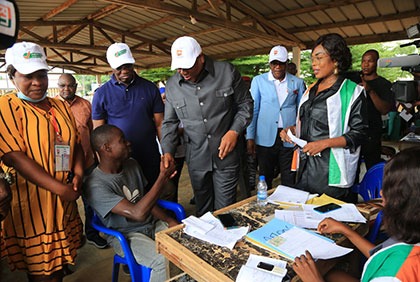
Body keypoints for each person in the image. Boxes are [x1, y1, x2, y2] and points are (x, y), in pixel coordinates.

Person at [0, 42, 84, 282]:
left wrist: (78, 174)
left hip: (64, 199)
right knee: (42, 272)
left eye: (42, 74)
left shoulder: (60, 105)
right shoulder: (7, 107)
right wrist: (60, 188)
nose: (37, 82)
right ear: (12, 75)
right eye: (28, 76)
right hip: (33, 206)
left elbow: (74, 144)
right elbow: (13, 156)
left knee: (58, 268)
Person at [292, 147, 420, 282]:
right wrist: (347, 231)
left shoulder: (394, 276)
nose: (381, 193)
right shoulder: (409, 244)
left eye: (389, 189)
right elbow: (381, 257)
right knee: (331, 273)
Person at [161, 36, 253, 216]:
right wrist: (167, 151)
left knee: (225, 209)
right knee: (203, 209)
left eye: (187, 66)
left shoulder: (227, 72)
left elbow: (246, 105)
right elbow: (170, 122)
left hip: (226, 155)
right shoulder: (172, 85)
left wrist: (234, 131)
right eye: (179, 67)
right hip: (196, 157)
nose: (183, 71)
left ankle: (226, 241)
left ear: (201, 57)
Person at [84, 124, 178, 282]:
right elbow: (138, 213)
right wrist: (162, 178)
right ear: (107, 148)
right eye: (122, 140)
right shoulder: (95, 185)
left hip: (152, 225)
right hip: (126, 235)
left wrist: (169, 221)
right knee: (163, 261)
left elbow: (144, 200)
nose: (128, 143)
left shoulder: (131, 164)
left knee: (187, 249)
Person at [280, 33, 367, 201]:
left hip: (330, 171)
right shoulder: (310, 90)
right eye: (312, 58)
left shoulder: (351, 92)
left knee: (327, 220)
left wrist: (324, 144)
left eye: (319, 58)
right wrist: (291, 131)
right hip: (304, 167)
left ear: (335, 60)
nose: (314, 63)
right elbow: (305, 122)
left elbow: (360, 133)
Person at [91, 42, 164, 191]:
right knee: (129, 195)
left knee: (155, 192)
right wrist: (103, 160)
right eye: (119, 68)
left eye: (128, 66)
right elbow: (98, 131)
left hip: (149, 154)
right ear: (111, 67)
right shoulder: (101, 94)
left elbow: (160, 124)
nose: (124, 71)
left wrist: (166, 152)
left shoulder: (149, 88)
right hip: (119, 159)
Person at [55, 73, 108, 249]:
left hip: (87, 162)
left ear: (76, 86)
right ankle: (70, 238)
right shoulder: (51, 106)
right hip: (62, 165)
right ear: (58, 86)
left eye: (70, 85)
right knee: (64, 204)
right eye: (62, 85)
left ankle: (92, 233)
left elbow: (94, 133)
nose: (66, 89)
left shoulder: (85, 105)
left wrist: (98, 157)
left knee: (91, 200)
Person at [246, 45, 306, 188]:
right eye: (274, 63)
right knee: (265, 176)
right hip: (265, 137)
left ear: (286, 63)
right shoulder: (258, 81)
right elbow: (253, 110)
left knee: (288, 177)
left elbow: (302, 112)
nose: (277, 67)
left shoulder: (297, 83)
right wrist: (250, 137)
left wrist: (299, 135)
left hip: (289, 137)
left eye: (281, 63)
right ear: (270, 64)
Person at [360, 49, 395, 170]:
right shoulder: (354, 81)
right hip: (354, 131)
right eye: (363, 61)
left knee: (372, 167)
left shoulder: (384, 84)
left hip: (372, 132)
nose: (365, 64)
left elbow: (384, 109)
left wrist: (370, 90)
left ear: (377, 63)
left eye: (370, 61)